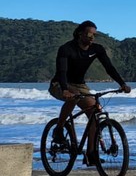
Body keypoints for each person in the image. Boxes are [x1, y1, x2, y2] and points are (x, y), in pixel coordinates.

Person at [48, 20, 131, 164]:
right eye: (89, 34)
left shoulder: (97, 49)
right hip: (60, 83)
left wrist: (122, 83)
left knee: (94, 113)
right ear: (80, 34)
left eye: (94, 35)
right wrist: (65, 90)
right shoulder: (66, 49)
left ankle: (91, 154)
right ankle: (59, 129)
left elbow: (109, 68)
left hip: (80, 85)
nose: (92, 37)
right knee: (72, 98)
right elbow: (62, 71)